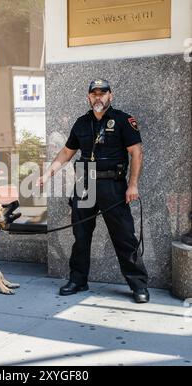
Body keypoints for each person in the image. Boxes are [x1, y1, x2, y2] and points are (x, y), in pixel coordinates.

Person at [36, 79, 149, 303]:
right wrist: (48, 174)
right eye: (94, 93)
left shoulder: (123, 120)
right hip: (84, 183)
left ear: (110, 96)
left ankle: (138, 285)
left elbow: (136, 152)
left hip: (112, 185)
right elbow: (67, 153)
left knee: (124, 237)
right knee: (81, 236)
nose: (98, 97)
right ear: (89, 97)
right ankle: (78, 280)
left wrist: (133, 184)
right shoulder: (81, 123)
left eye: (103, 93)